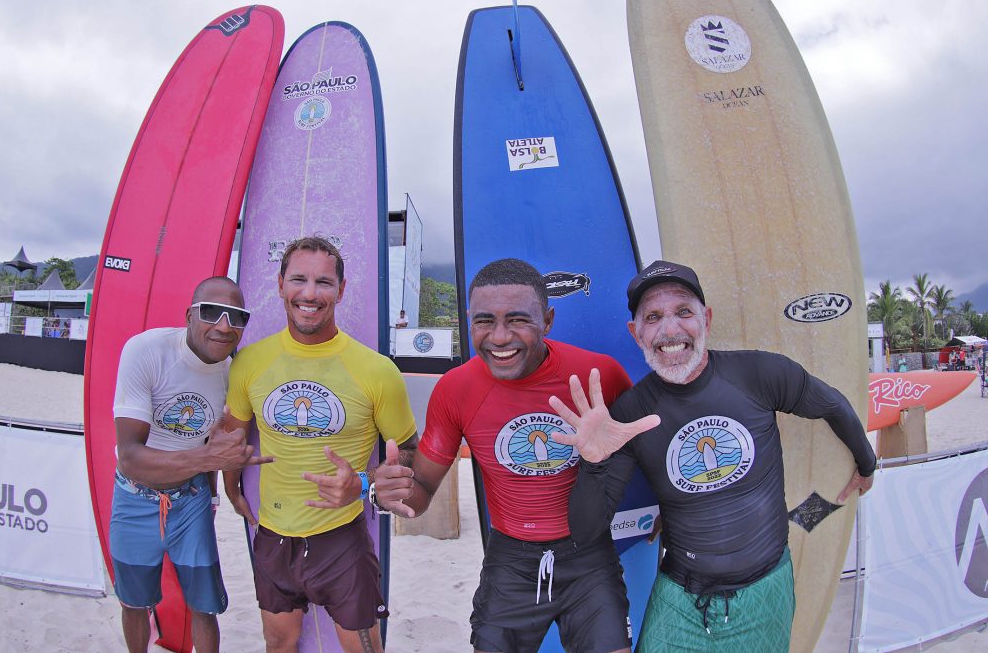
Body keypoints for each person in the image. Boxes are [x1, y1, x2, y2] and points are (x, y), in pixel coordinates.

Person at [551, 260, 877, 652]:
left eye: (683, 312)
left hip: (766, 589)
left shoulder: (759, 374)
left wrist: (866, 462)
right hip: (681, 599)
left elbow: (833, 405)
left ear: (705, 318)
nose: (670, 330)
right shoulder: (630, 414)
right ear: (636, 333)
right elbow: (586, 531)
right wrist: (592, 462)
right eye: (653, 317)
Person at [373, 258, 643, 653]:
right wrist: (389, 491)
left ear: (547, 320)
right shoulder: (456, 389)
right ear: (468, 319)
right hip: (510, 558)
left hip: (589, 555)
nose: (499, 337)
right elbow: (422, 491)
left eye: (518, 320)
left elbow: (642, 452)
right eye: (484, 321)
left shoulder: (599, 374)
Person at [223, 237, 417, 653]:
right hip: (273, 537)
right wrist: (230, 488)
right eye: (299, 279)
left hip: (341, 540)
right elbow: (232, 435)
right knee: (279, 643)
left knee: (364, 649)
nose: (310, 293)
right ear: (279, 285)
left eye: (324, 282)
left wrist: (364, 484)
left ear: (341, 291)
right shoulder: (249, 362)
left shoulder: (377, 371)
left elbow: (410, 455)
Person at [110, 276, 270, 653]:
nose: (224, 326)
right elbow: (130, 457)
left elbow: (232, 441)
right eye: (212, 313)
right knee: (134, 601)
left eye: (237, 317)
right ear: (189, 315)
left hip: (192, 499)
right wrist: (207, 459)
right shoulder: (147, 350)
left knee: (205, 605)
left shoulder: (235, 371)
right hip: (134, 498)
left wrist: (230, 491)